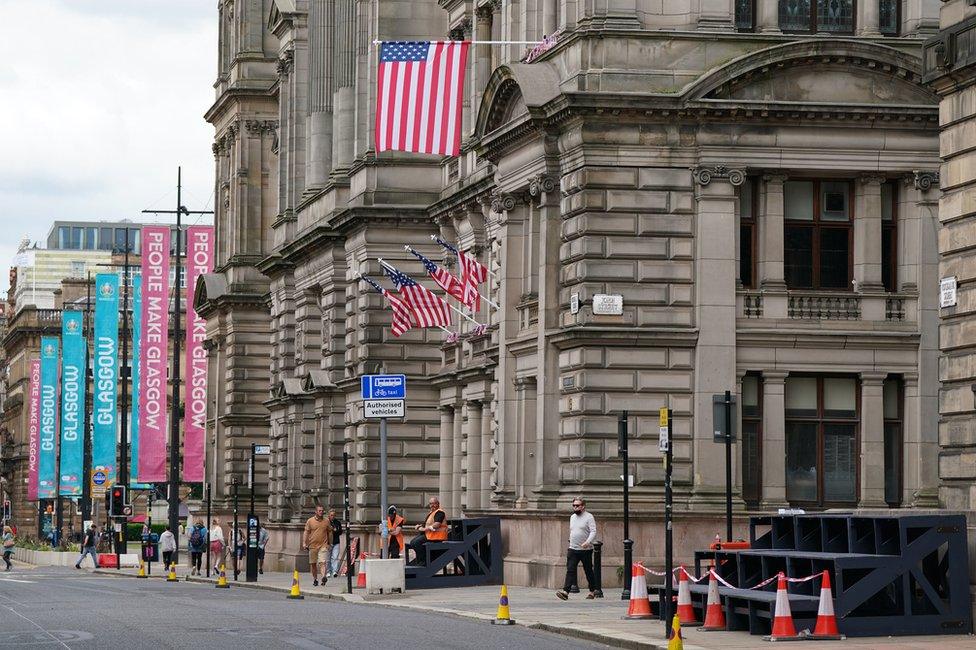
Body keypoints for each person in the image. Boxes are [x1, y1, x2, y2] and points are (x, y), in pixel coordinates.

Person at [555, 497, 599, 600]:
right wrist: (571, 539)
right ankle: (566, 592)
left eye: (577, 505)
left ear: (583, 506)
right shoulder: (572, 517)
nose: (575, 507)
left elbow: (593, 531)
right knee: (570, 569)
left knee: (588, 571)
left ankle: (592, 591)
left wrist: (587, 542)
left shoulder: (589, 517)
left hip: (585, 550)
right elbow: (573, 530)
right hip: (573, 549)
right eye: (574, 505)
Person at [406, 497, 449, 565]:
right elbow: (425, 524)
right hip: (430, 535)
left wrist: (425, 529)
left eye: (434, 503)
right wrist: (419, 526)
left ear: (438, 504)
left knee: (416, 543)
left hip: (437, 537)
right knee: (413, 542)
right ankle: (421, 560)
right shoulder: (431, 513)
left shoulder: (440, 512)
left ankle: (424, 561)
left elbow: (437, 524)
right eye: (431, 504)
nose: (432, 505)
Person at [302, 505, 332, 586]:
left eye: (322, 511)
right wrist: (304, 543)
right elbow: (306, 532)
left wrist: (329, 543)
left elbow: (329, 532)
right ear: (316, 512)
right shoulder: (310, 521)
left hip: (323, 545)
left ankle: (323, 577)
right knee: (313, 564)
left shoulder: (326, 521)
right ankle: (315, 579)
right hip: (312, 545)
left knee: (323, 562)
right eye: (319, 511)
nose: (321, 512)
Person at [327, 509, 343, 577]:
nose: (332, 516)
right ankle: (328, 571)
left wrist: (336, 531)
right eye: (331, 515)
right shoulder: (326, 522)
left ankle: (334, 571)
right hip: (328, 542)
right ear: (329, 515)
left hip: (336, 541)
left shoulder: (337, 522)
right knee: (328, 558)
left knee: (335, 557)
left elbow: (340, 531)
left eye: (334, 515)